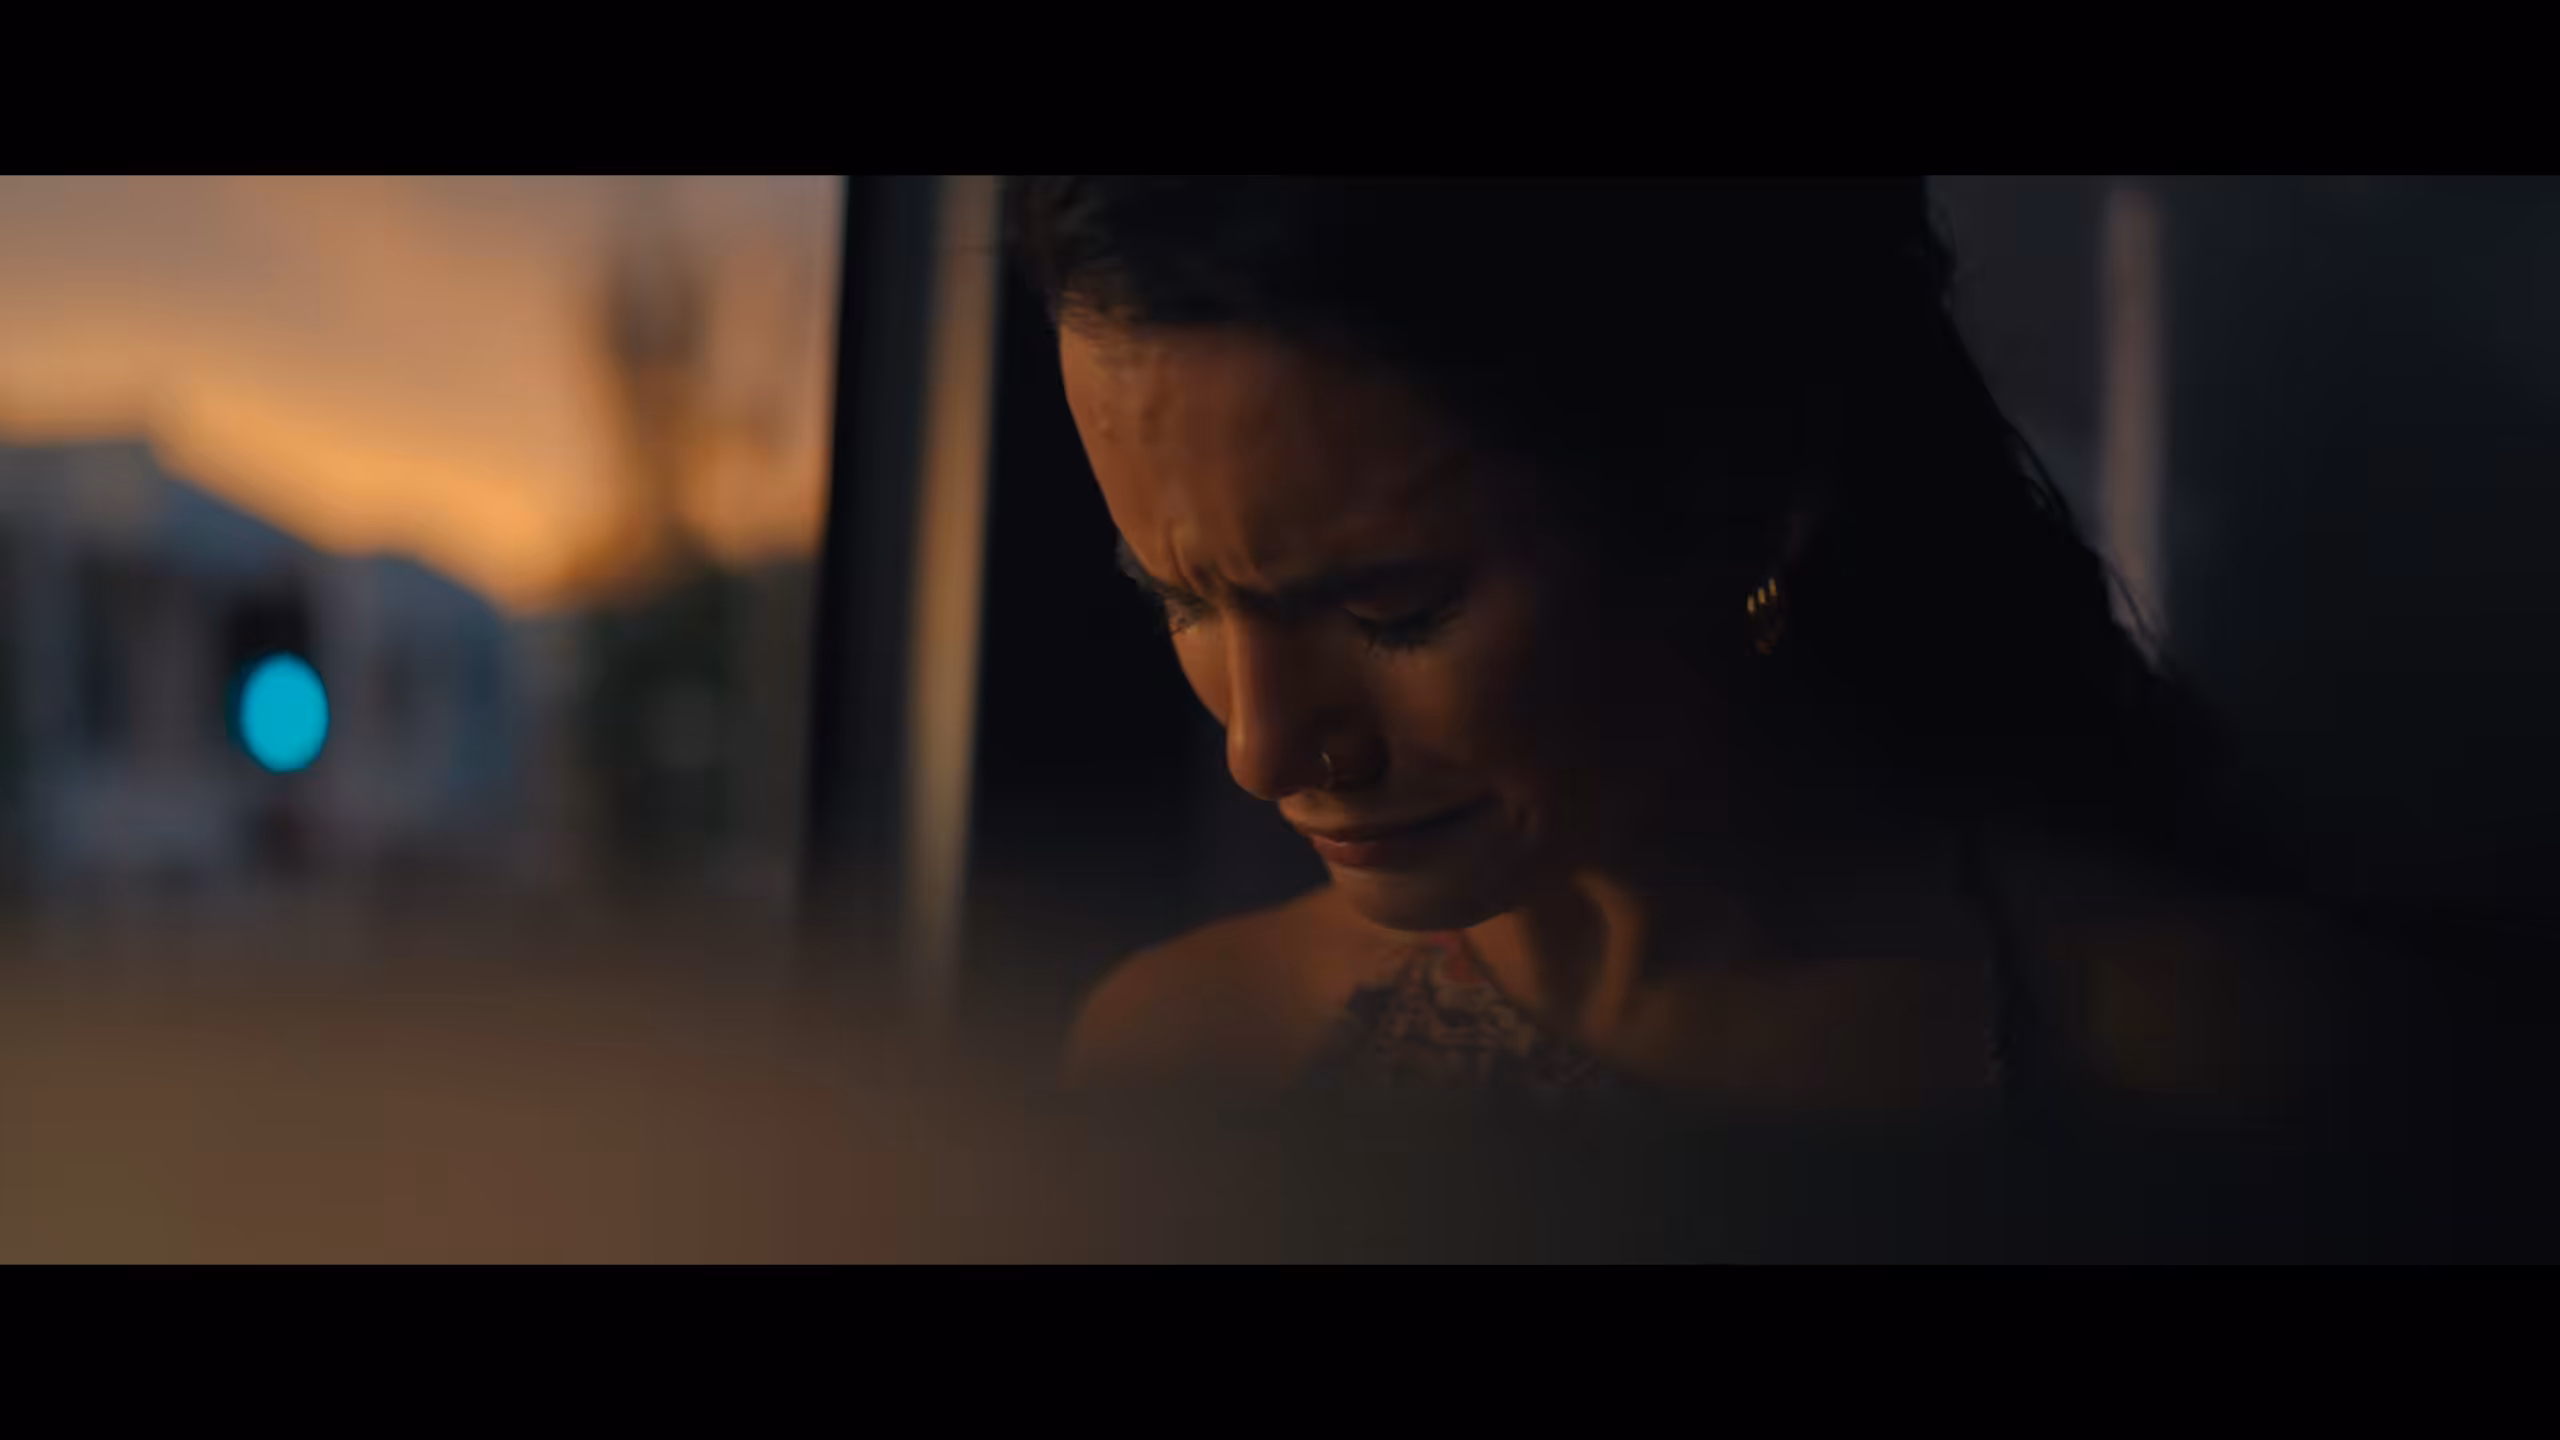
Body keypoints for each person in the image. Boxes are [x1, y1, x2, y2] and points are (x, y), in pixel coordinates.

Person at [1007, 177, 2406, 1137]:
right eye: (1179, 598)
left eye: (1393, 609)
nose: (1262, 751)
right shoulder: (1192, 1059)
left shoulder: (2235, 1073)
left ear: (1748, 494)